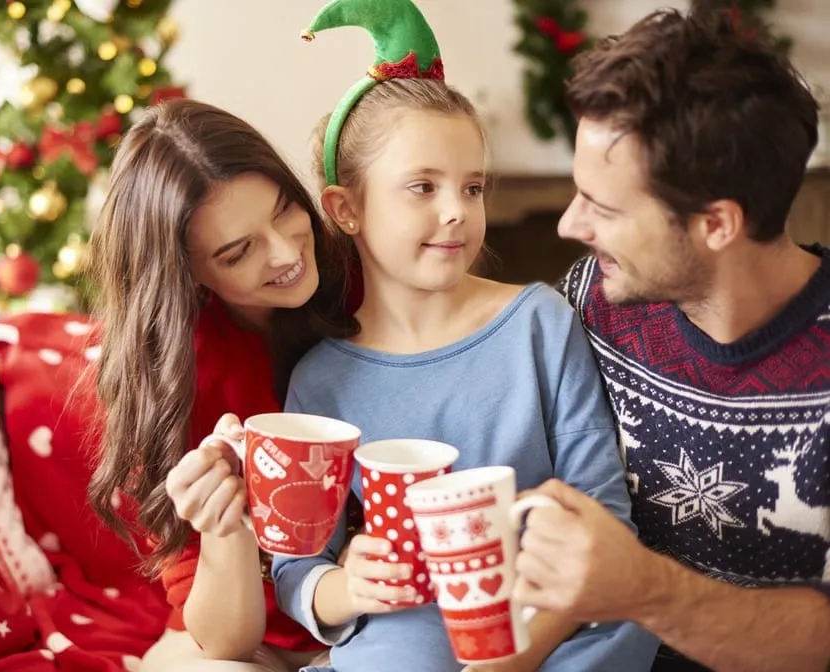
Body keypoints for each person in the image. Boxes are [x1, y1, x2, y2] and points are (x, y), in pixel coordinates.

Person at [266, 1, 661, 670]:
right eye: (422, 186)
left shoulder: (538, 325)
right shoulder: (321, 383)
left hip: (558, 641)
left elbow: (604, 523)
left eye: (472, 187)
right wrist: (345, 586)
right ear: (346, 209)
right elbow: (296, 569)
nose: (457, 211)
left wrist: (519, 655)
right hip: (398, 645)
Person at [511, 6, 830, 672]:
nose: (571, 224)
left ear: (716, 224)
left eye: (602, 206)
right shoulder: (593, 300)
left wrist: (643, 589)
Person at [87, 98, 357, 671]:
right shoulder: (174, 376)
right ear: (186, 272)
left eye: (285, 211)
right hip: (254, 638)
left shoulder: (363, 279)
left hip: (379, 617)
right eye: (238, 251)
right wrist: (223, 526)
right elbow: (225, 642)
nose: (286, 252)